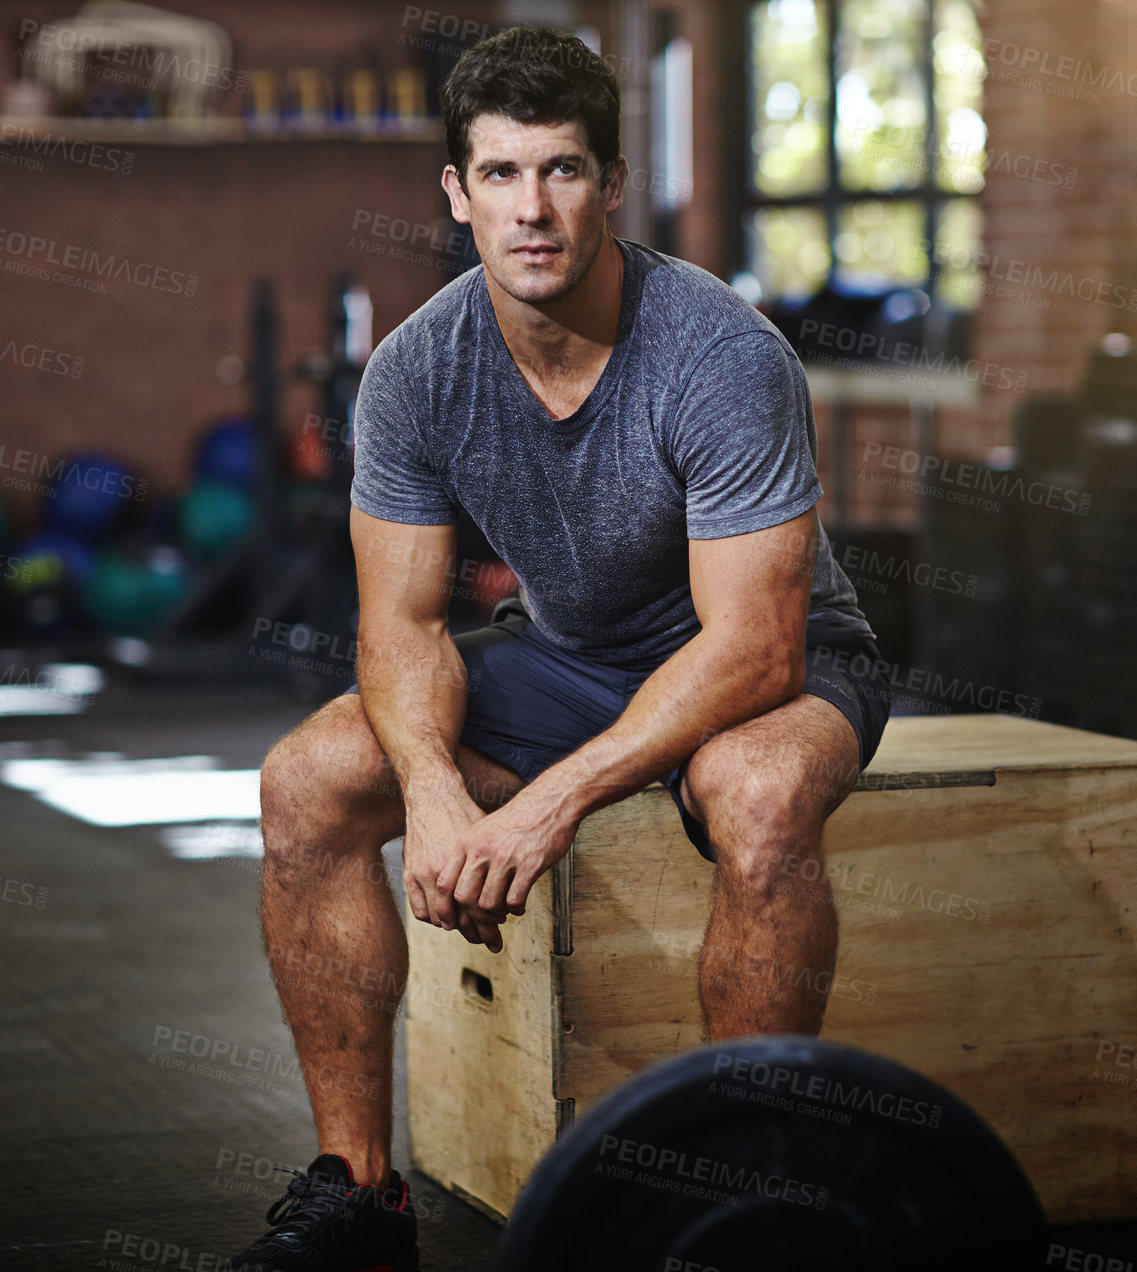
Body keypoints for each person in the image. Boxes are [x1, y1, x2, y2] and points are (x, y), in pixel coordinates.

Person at [232, 24, 890, 1270]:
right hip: (574, 659)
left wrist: (548, 804)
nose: (532, 210)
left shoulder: (720, 355)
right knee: (305, 782)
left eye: (563, 171)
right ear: (456, 192)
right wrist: (431, 789)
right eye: (500, 174)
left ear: (611, 185)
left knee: (752, 792)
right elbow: (403, 623)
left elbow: (755, 649)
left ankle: (750, 1201)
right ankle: (359, 1199)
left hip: (776, 664)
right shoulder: (418, 370)